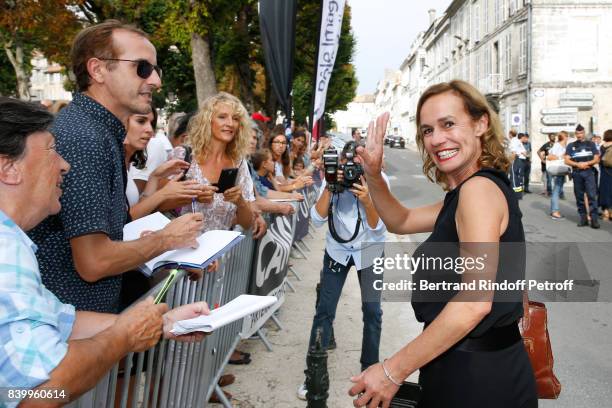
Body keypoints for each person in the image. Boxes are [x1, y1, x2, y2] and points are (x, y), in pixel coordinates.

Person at [0, 97, 209, 406]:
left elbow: (64, 321)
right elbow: (41, 390)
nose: (64, 164)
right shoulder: (6, 251)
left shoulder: (13, 242)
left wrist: (163, 323)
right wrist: (123, 337)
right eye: (51, 150)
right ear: (9, 168)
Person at [349, 80, 537, 408]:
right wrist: (375, 175)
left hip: (478, 380)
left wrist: (392, 370)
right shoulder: (466, 193)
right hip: (465, 368)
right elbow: (401, 221)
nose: (436, 139)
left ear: (480, 124)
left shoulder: (478, 193)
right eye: (427, 130)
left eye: (448, 124)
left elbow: (473, 303)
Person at [28, 20, 204, 313]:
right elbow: (93, 261)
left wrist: (158, 247)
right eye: (142, 68)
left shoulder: (97, 131)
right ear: (97, 70)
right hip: (72, 334)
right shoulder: (84, 138)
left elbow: (102, 239)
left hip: (83, 328)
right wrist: (165, 239)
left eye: (155, 70)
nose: (156, 81)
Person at [297, 140, 388, 400]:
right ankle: (312, 376)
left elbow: (379, 229)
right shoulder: (332, 177)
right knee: (324, 311)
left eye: (358, 164)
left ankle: (369, 374)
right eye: (349, 164)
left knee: (373, 312)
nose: (351, 171)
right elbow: (316, 220)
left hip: (370, 250)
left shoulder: (379, 180)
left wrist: (368, 200)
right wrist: (331, 187)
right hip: (337, 250)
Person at [180, 92, 254, 232]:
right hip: (183, 249)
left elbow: (247, 223)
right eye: (222, 117)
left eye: (235, 118)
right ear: (208, 120)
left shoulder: (239, 163)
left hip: (221, 251)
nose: (230, 124)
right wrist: (193, 198)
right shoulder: (185, 155)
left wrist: (240, 202)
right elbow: (159, 203)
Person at [565, 124, 600, 228]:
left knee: (591, 196)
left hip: (589, 172)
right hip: (577, 173)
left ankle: (594, 220)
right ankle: (583, 218)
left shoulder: (591, 144)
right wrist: (577, 164)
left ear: (584, 133)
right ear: (575, 134)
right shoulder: (571, 145)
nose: (579, 135)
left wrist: (587, 163)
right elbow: (566, 160)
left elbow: (596, 158)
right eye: (577, 133)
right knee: (579, 197)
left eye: (581, 133)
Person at [548, 131, 569, 220]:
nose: (568, 138)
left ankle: (554, 210)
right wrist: (562, 157)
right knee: (556, 190)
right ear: (564, 137)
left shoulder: (563, 146)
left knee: (558, 189)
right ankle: (555, 211)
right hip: (557, 170)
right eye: (567, 136)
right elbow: (550, 157)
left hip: (561, 170)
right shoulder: (557, 145)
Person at [508, 129, 526, 198]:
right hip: (520, 160)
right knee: (518, 177)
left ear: (510, 134)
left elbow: (514, 152)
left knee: (513, 177)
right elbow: (524, 152)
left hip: (514, 159)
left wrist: (510, 161)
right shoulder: (518, 141)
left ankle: (514, 194)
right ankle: (519, 194)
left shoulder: (513, 141)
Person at [599, 129, 612, 221]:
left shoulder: (602, 146)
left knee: (604, 191)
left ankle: (605, 213)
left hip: (604, 171)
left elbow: (600, 158)